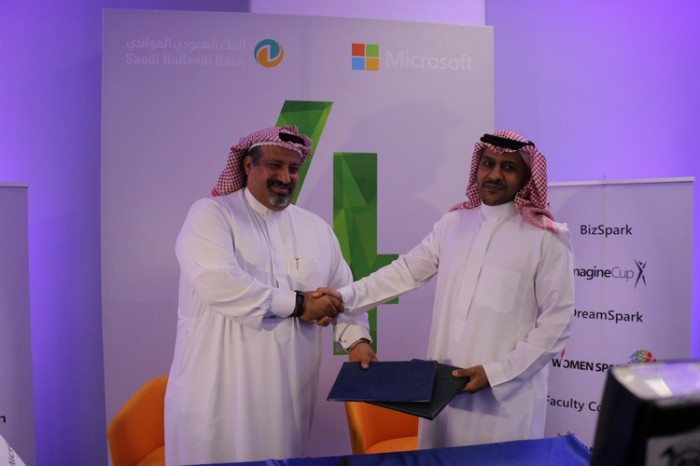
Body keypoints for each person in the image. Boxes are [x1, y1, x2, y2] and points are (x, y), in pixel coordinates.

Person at [322, 130, 575, 449]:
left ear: (526, 177)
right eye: (488, 163)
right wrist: (342, 298)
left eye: (509, 167)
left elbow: (557, 323)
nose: (495, 175)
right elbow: (405, 272)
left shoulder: (547, 238)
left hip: (503, 403)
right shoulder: (453, 224)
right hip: (441, 396)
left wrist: (496, 373)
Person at [164, 125, 376, 465]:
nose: (285, 177)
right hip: (216, 394)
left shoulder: (315, 229)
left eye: (293, 169)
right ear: (248, 165)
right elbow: (221, 284)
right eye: (275, 165)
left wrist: (356, 341)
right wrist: (301, 304)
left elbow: (343, 294)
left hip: (286, 398)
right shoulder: (211, 214)